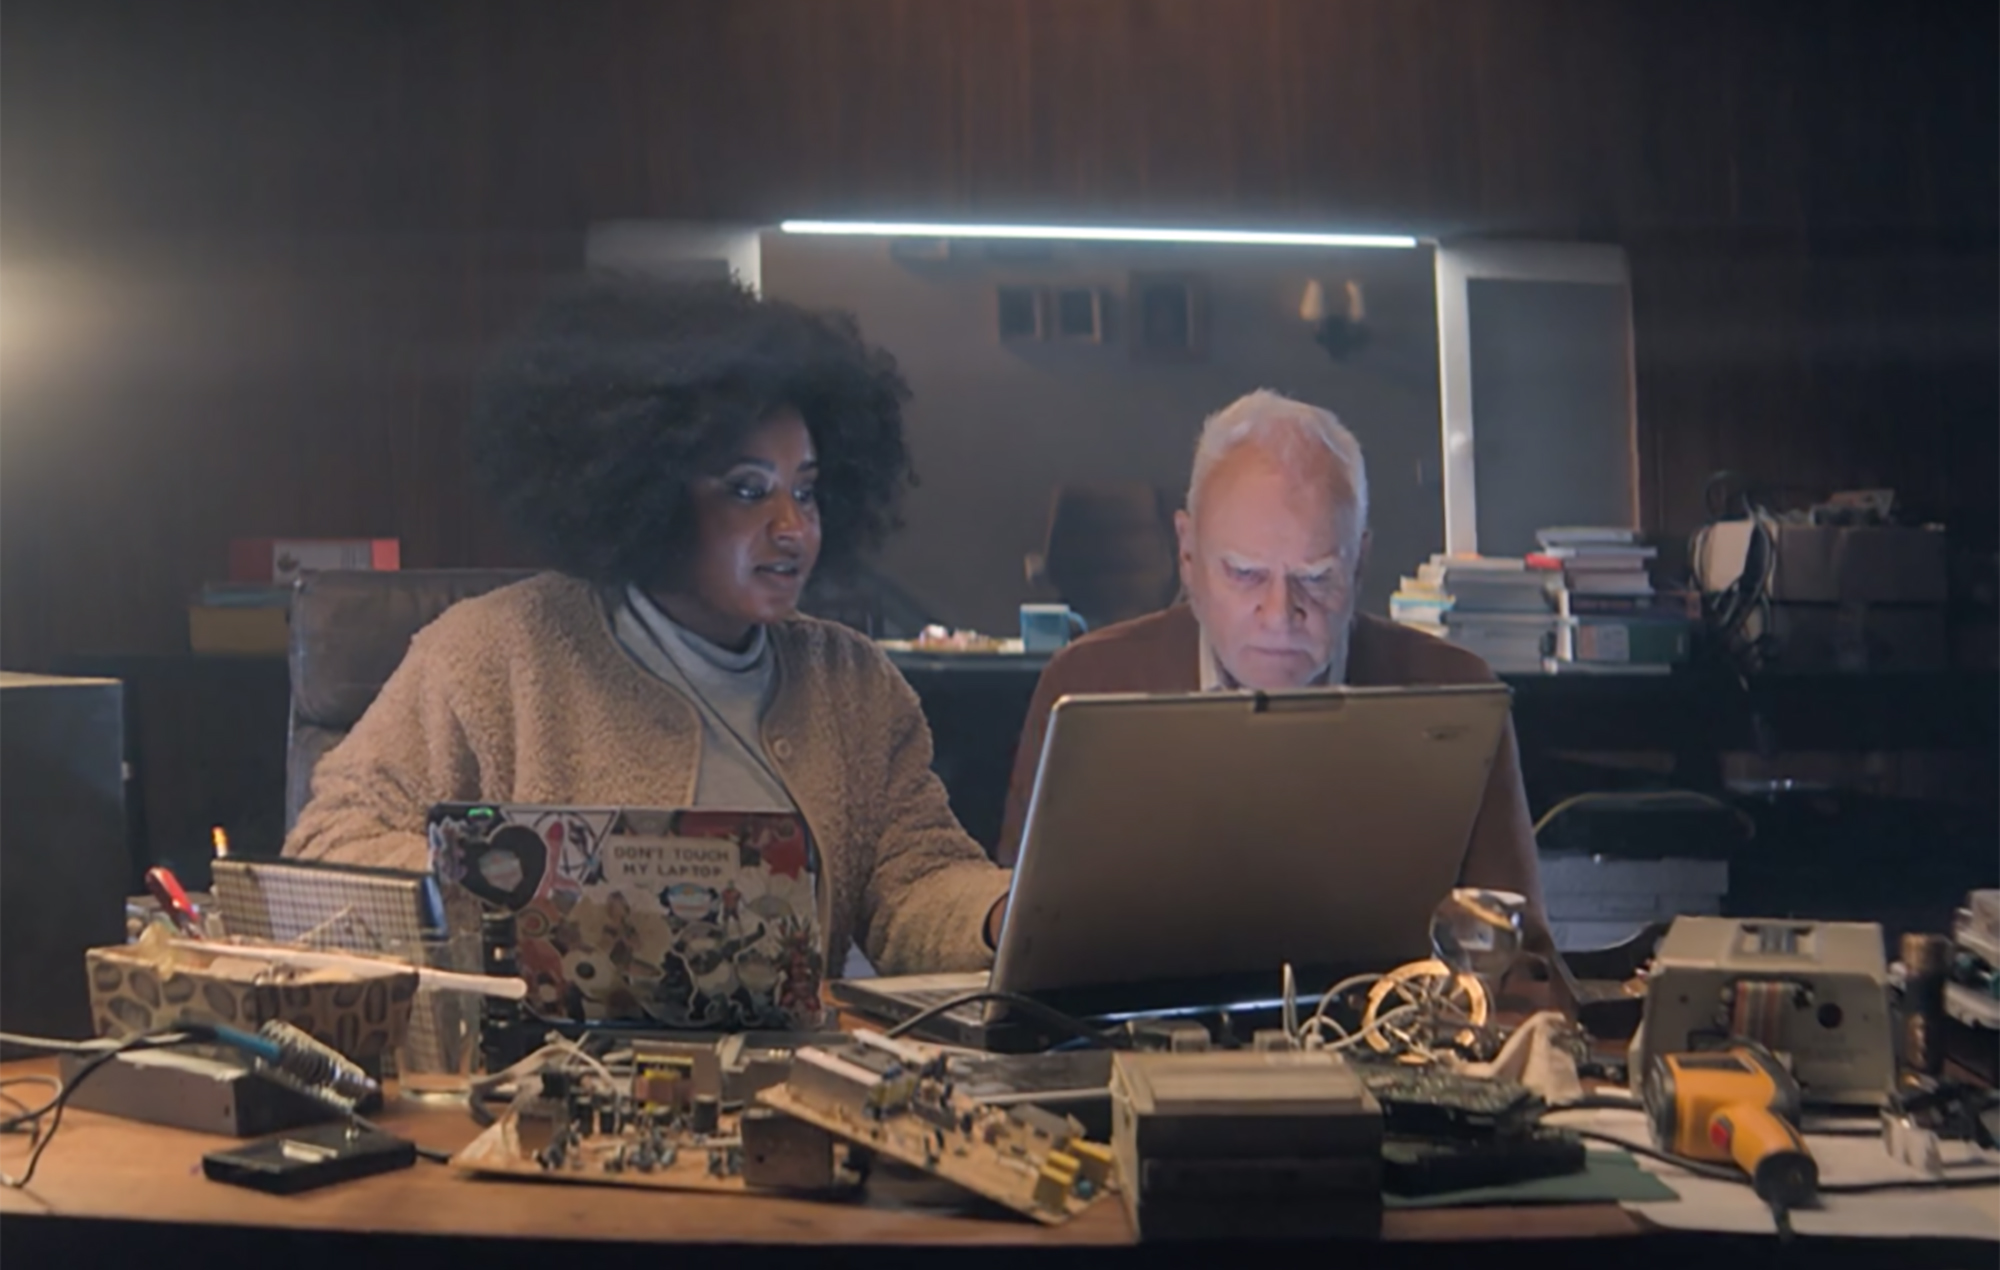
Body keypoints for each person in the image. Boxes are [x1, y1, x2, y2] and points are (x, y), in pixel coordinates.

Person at [284, 275, 1009, 980]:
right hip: (548, 1059)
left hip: (806, 1061)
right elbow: (328, 847)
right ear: (651, 493)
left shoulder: (853, 684)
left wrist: (1005, 916)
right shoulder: (488, 655)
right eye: (749, 490)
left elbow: (919, 880)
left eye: (808, 491)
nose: (793, 528)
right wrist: (521, 888)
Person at [998, 389, 1560, 961]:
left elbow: (1523, 962)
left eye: (1315, 578)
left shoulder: (1453, 690)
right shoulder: (1089, 685)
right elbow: (1022, 946)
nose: (1278, 614)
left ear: (1360, 564)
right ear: (1188, 555)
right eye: (1244, 573)